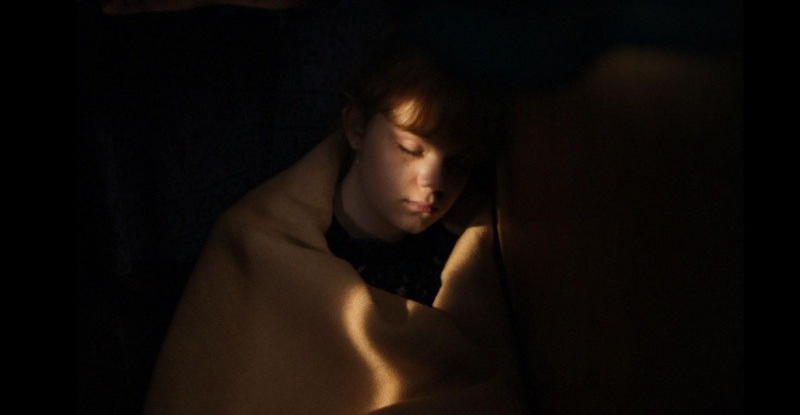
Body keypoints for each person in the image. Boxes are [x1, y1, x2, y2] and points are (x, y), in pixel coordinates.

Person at [143, 27, 527, 413]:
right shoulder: (257, 243)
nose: (434, 182)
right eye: (410, 149)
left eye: (457, 164)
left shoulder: (468, 254)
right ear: (357, 128)